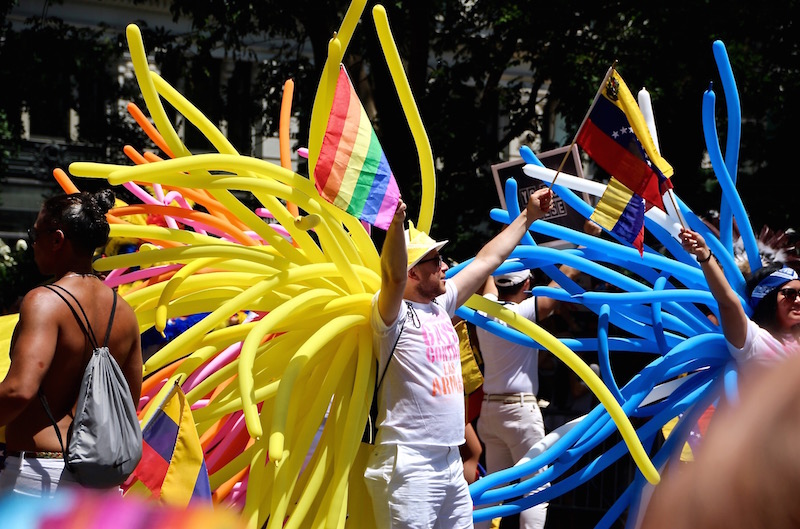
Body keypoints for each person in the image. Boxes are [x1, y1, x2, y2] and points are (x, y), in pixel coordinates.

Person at [364, 187, 554, 529]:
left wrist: (528, 216)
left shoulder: (441, 304)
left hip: (449, 460)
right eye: (436, 260)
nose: (445, 266)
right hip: (409, 461)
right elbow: (391, 275)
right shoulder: (391, 315)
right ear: (412, 272)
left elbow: (486, 261)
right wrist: (395, 225)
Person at [0, 190, 142, 496]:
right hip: (99, 484)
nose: (33, 242)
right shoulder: (125, 313)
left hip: (38, 480)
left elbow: (19, 389)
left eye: (34, 233)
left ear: (57, 239)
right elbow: (129, 401)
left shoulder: (44, 301)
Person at [640, 350, 800, 529]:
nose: (710, 319)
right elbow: (651, 403)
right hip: (688, 448)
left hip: (719, 457)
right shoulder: (691, 358)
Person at [473, 263, 580, 529]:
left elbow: (488, 272)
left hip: (491, 412)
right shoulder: (521, 314)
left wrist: (502, 246)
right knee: (536, 489)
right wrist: (585, 243)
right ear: (526, 285)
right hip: (519, 411)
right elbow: (565, 276)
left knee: (491, 490)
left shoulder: (484, 311)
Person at [679, 228, 800, 369]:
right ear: (769, 299)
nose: (798, 300)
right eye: (790, 294)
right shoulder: (753, 340)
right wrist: (704, 255)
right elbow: (728, 302)